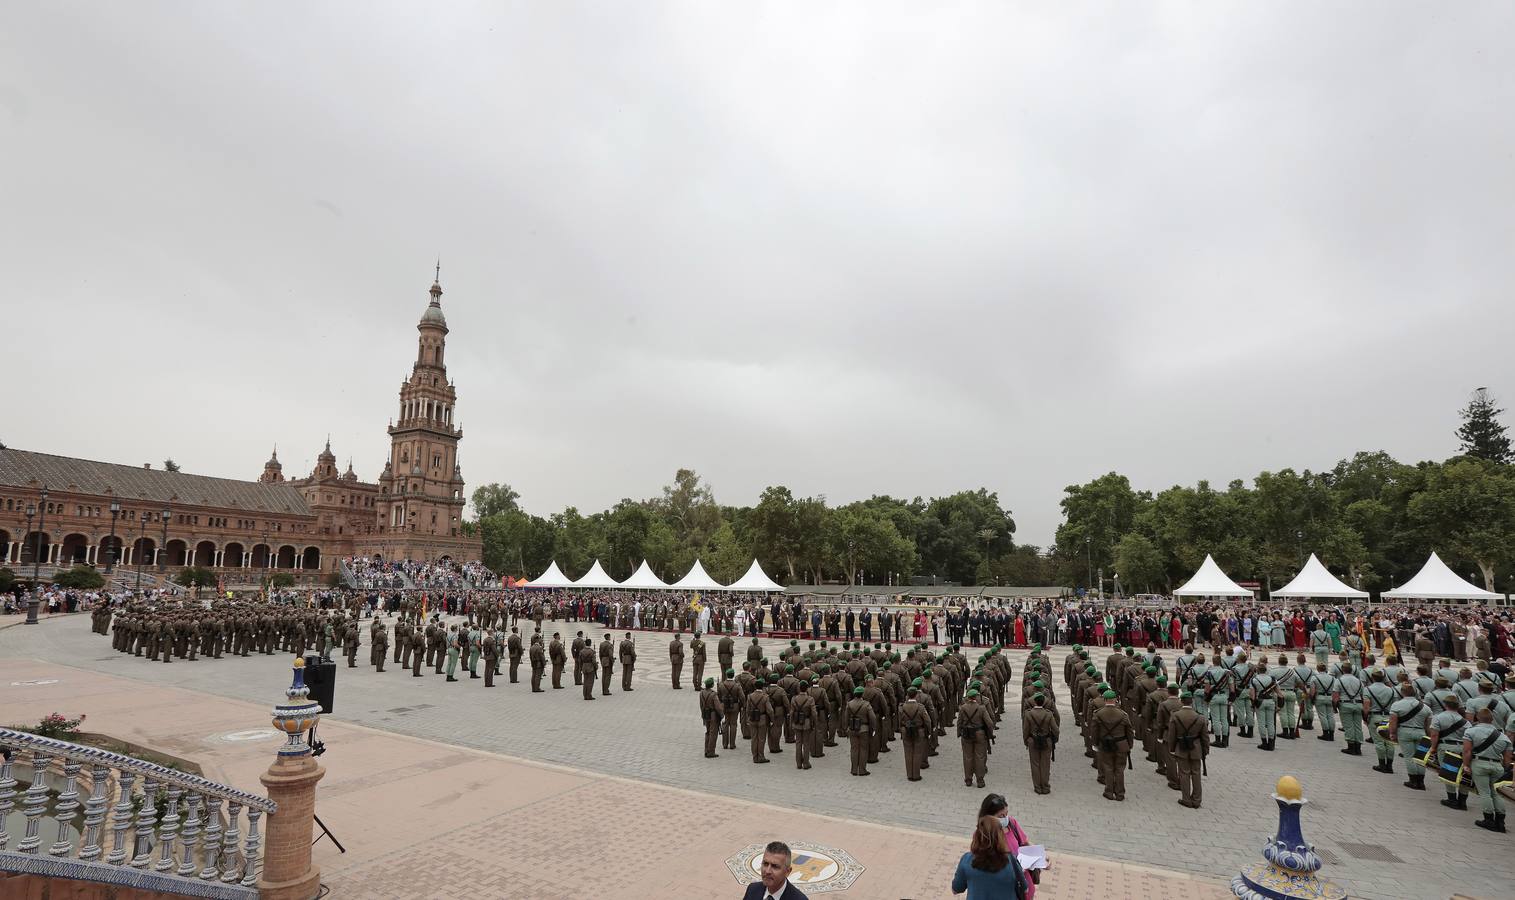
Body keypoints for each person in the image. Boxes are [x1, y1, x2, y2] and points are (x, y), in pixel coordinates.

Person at [951, 816, 1030, 899]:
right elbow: (1025, 889)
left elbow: (955, 889)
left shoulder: (967, 860)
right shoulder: (1010, 860)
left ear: (977, 836)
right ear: (1000, 836)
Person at [743, 841, 809, 900]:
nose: (767, 871)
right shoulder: (752, 890)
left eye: (775, 866)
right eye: (765, 864)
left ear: (787, 871)